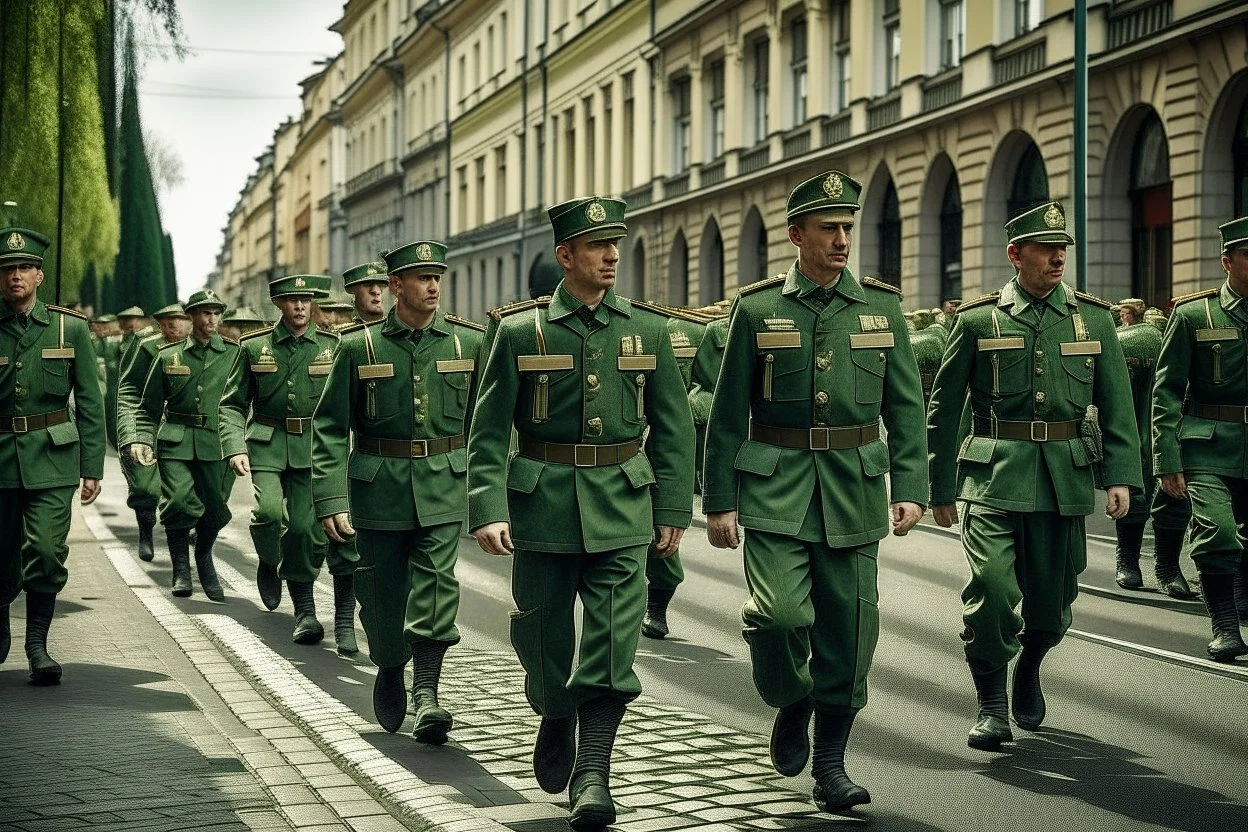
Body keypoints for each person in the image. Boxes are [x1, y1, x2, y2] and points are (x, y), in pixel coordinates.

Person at [703, 171, 926, 813]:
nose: (841, 240)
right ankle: (790, 697)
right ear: (796, 235)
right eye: (828, 229)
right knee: (778, 619)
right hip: (776, 488)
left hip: (854, 488)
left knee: (851, 632)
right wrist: (719, 501)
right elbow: (726, 415)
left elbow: (906, 406)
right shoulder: (758, 308)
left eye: (848, 228)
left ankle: (831, 763)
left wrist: (909, 483)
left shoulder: (881, 308)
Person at [469, 197, 693, 830]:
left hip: (624, 504)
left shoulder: (647, 331)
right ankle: (554, 709)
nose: (611, 255)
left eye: (615, 244)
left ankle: (593, 774)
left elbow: (674, 430)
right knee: (543, 638)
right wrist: (488, 508)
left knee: (614, 644)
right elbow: (487, 434)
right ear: (565, 256)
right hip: (541, 507)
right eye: (597, 245)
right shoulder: (518, 332)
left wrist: (673, 506)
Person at [927, 201, 1141, 751]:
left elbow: (1118, 408)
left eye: (1062, 249)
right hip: (991, 477)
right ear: (1014, 255)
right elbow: (944, 408)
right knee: (994, 590)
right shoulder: (977, 320)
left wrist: (1120, 476)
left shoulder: (1092, 319)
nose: (1056, 258)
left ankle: (1031, 665)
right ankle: (991, 702)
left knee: (1053, 603)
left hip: (1062, 479)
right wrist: (938, 486)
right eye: (1046, 249)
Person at [312, 240, 485, 738]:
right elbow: (327, 427)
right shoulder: (357, 346)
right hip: (378, 487)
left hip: (443, 485)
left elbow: (486, 426)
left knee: (437, 584)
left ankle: (427, 691)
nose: (433, 286)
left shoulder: (466, 345)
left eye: (438, 277)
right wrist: (331, 497)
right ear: (395, 286)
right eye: (421, 278)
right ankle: (389, 665)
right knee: (382, 593)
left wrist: (486, 496)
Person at [220, 275, 359, 650]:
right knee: (266, 512)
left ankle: (305, 611)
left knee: (302, 529)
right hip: (267, 442)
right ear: (278, 305)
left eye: (305, 300)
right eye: (291, 300)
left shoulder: (333, 346)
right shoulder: (254, 347)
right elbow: (232, 404)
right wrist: (234, 446)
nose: (299, 306)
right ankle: (269, 559)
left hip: (313, 448)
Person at [0, 225, 105, 684]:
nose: (15, 276)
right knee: (1, 557)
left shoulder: (71, 329)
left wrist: (92, 467)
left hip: (52, 456)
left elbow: (90, 401)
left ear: (40, 275)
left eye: (24, 268)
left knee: (44, 550)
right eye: (6, 269)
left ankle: (37, 645)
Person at [1151, 216, 1248, 661]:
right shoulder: (1195, 314)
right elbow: (1167, 391)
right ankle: (1225, 626)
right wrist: (1167, 459)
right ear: (1227, 261)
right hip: (1207, 445)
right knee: (1218, 531)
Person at [131, 290, 240, 601]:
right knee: (178, 501)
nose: (211, 319)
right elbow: (148, 406)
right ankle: (182, 568)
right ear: (191, 317)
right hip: (175, 440)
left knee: (217, 510)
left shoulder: (235, 354)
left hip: (217, 442)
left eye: (216, 313)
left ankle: (203, 554)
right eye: (204, 313)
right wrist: (141, 438)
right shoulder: (169, 356)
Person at [1112, 309, 1195, 595]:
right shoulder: (1133, 342)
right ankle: (1148, 564)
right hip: (1144, 426)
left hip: (1168, 427)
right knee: (1148, 490)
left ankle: (1155, 565)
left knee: (1168, 493)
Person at [116, 303, 191, 562]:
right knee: (145, 485)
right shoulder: (146, 345)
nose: (175, 327)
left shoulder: (205, 348)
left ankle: (187, 542)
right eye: (168, 322)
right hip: (149, 420)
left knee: (189, 491)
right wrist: (131, 434)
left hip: (184, 427)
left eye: (180, 321)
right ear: (159, 324)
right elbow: (128, 390)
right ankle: (145, 529)